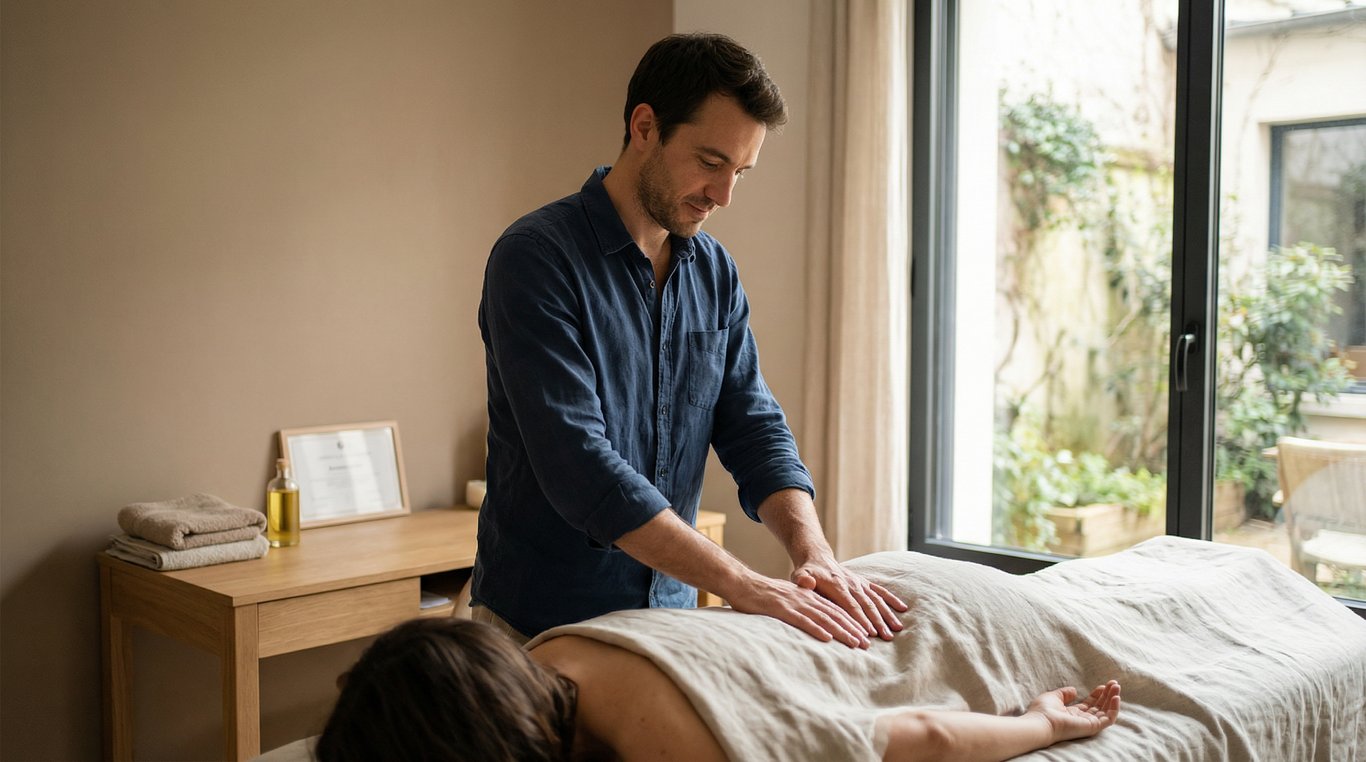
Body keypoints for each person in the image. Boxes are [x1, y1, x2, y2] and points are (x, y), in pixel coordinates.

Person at [474, 32, 906, 646]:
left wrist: (815, 554)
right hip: (539, 628)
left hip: (668, 625)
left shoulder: (714, 271)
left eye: (741, 171)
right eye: (710, 162)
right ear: (644, 126)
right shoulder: (536, 258)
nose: (724, 195)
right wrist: (744, 584)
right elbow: (582, 469)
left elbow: (754, 425)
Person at [315, 617, 1123, 762]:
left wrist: (1043, 726)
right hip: (871, 603)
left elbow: (925, 737)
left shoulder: (683, 743)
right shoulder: (547, 656)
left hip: (940, 628)